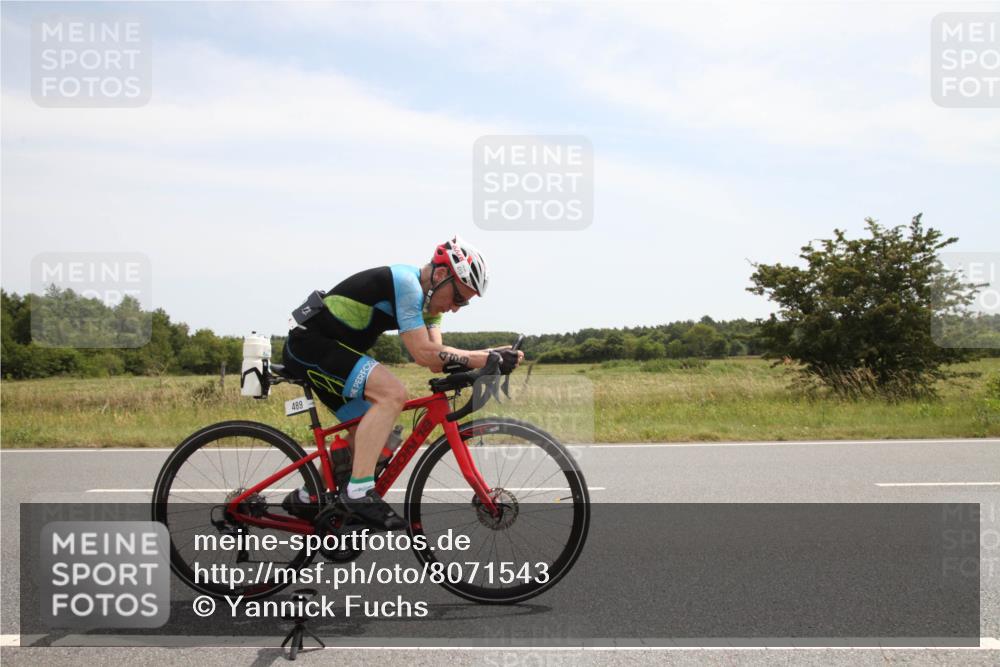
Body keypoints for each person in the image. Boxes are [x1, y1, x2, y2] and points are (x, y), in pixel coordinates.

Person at [280, 236, 523, 530]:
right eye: (458, 298)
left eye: (464, 304)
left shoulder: (431, 307)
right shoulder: (407, 284)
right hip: (310, 345)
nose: (456, 308)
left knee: (375, 436)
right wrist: (483, 358)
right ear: (441, 275)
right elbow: (422, 353)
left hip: (331, 352)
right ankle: (358, 493)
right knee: (393, 393)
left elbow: (437, 358)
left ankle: (306, 499)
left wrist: (492, 355)